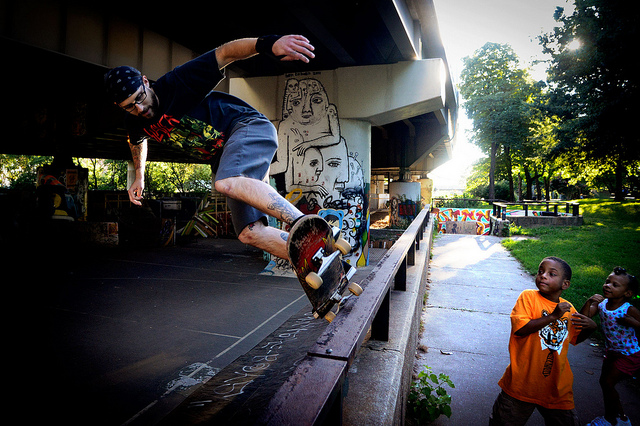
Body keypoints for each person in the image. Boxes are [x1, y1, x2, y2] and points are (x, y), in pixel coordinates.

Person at [104, 35, 315, 259]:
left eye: (140, 97)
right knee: (249, 233)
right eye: (130, 106)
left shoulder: (177, 82)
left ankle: (307, 226)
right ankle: (315, 256)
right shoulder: (134, 122)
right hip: (228, 159)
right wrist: (139, 176)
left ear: (145, 82)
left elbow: (224, 53)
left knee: (225, 182)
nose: (140, 108)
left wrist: (268, 44)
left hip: (247, 127)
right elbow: (136, 141)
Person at [489, 256, 597, 426]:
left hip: (557, 386)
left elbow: (575, 338)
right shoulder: (528, 297)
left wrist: (590, 328)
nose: (543, 276)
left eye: (551, 274)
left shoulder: (567, 308)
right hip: (523, 383)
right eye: (541, 272)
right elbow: (521, 329)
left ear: (565, 284)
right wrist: (553, 316)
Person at [581, 267, 640, 426]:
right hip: (612, 352)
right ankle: (616, 418)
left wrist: (633, 322)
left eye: (615, 285)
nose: (607, 285)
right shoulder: (602, 304)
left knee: (608, 383)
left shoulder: (628, 309)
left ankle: (615, 419)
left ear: (627, 293)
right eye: (607, 281)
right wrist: (589, 301)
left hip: (629, 354)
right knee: (605, 383)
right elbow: (584, 317)